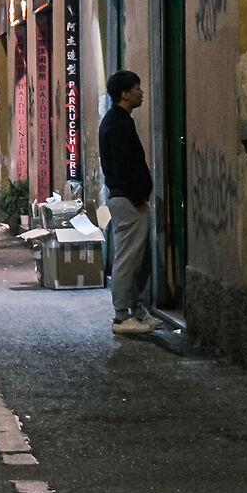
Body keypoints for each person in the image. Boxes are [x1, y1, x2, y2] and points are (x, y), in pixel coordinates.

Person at [99, 70, 161, 336]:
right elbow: (125, 166)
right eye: (136, 88)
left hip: (127, 198)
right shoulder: (119, 123)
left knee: (135, 257)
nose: (141, 92)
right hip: (128, 200)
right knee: (128, 257)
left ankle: (135, 311)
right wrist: (138, 199)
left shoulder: (118, 120)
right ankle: (122, 316)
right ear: (124, 93)